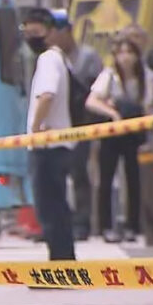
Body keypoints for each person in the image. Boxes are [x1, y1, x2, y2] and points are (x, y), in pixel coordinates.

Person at [21, 7, 77, 261]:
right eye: (27, 32)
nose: (32, 38)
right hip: (56, 146)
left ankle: (61, 264)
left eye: (37, 31)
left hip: (47, 148)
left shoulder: (48, 59)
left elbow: (47, 94)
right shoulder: (58, 59)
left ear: (52, 32)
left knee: (50, 210)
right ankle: (64, 262)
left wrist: (35, 129)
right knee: (56, 208)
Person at [86, 37, 153, 243]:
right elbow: (92, 101)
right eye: (121, 53)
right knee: (106, 178)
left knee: (134, 179)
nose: (125, 57)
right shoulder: (109, 75)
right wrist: (113, 113)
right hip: (112, 133)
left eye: (129, 52)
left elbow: (148, 105)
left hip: (135, 132)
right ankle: (105, 225)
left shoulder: (145, 76)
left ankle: (133, 225)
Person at [50, 14, 103, 239]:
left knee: (80, 172)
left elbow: (96, 87)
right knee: (57, 174)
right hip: (58, 125)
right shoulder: (52, 58)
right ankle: (61, 221)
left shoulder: (88, 57)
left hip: (81, 124)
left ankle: (83, 222)